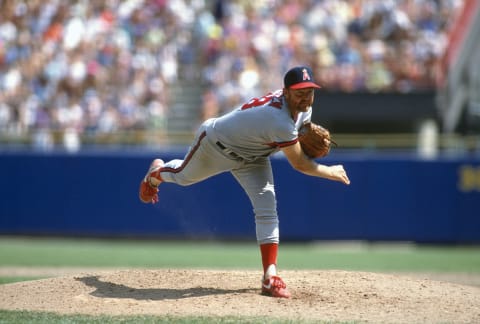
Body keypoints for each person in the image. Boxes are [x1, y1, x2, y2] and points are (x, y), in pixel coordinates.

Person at [139, 66, 351, 298]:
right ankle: (156, 173)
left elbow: (295, 130)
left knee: (267, 209)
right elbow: (300, 164)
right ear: (286, 92)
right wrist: (331, 171)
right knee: (182, 176)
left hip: (254, 156)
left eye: (310, 91)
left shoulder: (303, 111)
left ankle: (270, 277)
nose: (306, 97)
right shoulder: (277, 118)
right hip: (216, 144)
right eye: (299, 92)